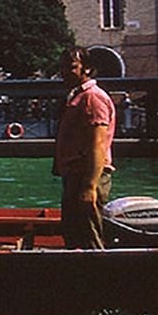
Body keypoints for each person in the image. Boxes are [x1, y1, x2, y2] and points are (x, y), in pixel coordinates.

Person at [53, 46, 116, 249]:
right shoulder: (78, 96)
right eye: (62, 67)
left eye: (71, 67)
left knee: (89, 236)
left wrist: (89, 187)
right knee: (75, 233)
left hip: (86, 176)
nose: (64, 72)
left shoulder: (92, 98)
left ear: (87, 69)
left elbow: (97, 144)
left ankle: (96, 275)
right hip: (76, 175)